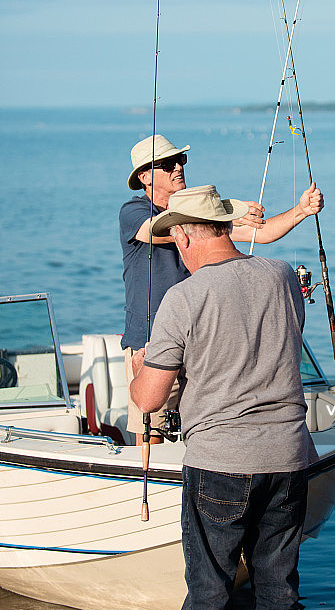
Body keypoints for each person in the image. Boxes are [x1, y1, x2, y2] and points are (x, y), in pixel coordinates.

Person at [130, 185, 317, 610]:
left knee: (210, 598)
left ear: (184, 237)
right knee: (278, 593)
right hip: (288, 457)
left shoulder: (182, 298)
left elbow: (149, 397)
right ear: (225, 226)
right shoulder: (283, 275)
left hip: (220, 462)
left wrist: (143, 365)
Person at [120, 134, 323, 443]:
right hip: (151, 341)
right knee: (152, 433)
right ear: (145, 177)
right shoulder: (133, 213)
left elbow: (261, 233)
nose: (178, 167)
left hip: (201, 339)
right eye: (167, 164)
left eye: (181, 160)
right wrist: (227, 215)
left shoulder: (197, 217)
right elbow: (159, 231)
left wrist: (301, 210)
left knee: (204, 425)